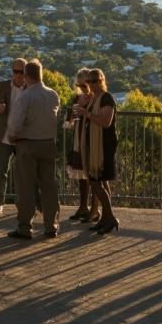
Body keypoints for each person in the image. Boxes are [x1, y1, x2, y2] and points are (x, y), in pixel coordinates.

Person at [6, 59, 61, 240]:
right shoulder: (53, 95)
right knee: (49, 186)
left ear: (26, 76)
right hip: (48, 144)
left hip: (27, 145)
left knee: (26, 187)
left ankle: (25, 227)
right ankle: (51, 225)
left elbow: (15, 125)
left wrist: (13, 137)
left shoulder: (25, 97)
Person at [77, 68, 119, 236]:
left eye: (95, 80)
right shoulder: (95, 99)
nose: (91, 84)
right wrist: (84, 105)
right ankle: (106, 219)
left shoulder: (106, 98)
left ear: (102, 80)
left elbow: (106, 121)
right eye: (89, 81)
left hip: (103, 148)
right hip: (95, 147)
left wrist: (86, 113)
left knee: (96, 183)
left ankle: (110, 218)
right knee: (97, 183)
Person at [0, 58, 27, 216]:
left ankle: (24, 203)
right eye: (15, 71)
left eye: (21, 72)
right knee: (0, 171)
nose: (17, 75)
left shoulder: (30, 88)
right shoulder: (3, 85)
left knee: (24, 172)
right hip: (4, 137)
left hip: (22, 138)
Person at [65, 68, 98, 223]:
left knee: (93, 176)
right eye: (79, 85)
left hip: (92, 140)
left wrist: (84, 112)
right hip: (79, 138)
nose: (81, 89)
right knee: (82, 175)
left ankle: (94, 209)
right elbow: (69, 122)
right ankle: (83, 206)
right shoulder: (78, 98)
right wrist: (70, 116)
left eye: (84, 85)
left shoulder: (97, 99)